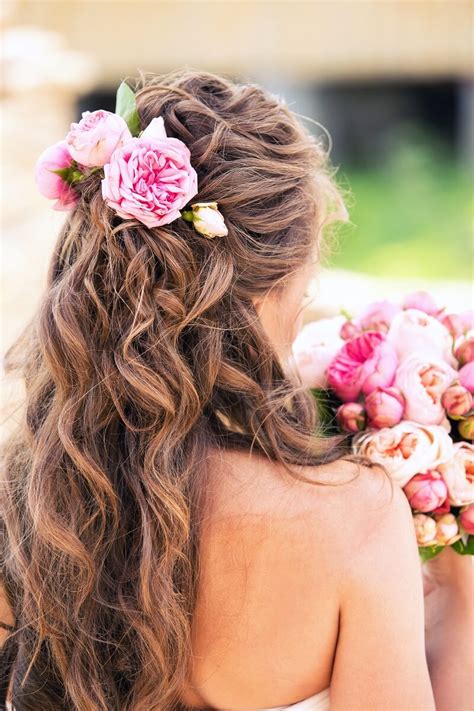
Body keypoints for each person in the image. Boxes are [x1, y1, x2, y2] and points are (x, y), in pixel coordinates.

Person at [0, 69, 472, 711]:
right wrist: (462, 592)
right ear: (264, 295)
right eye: (301, 300)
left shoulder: (22, 496)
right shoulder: (352, 517)